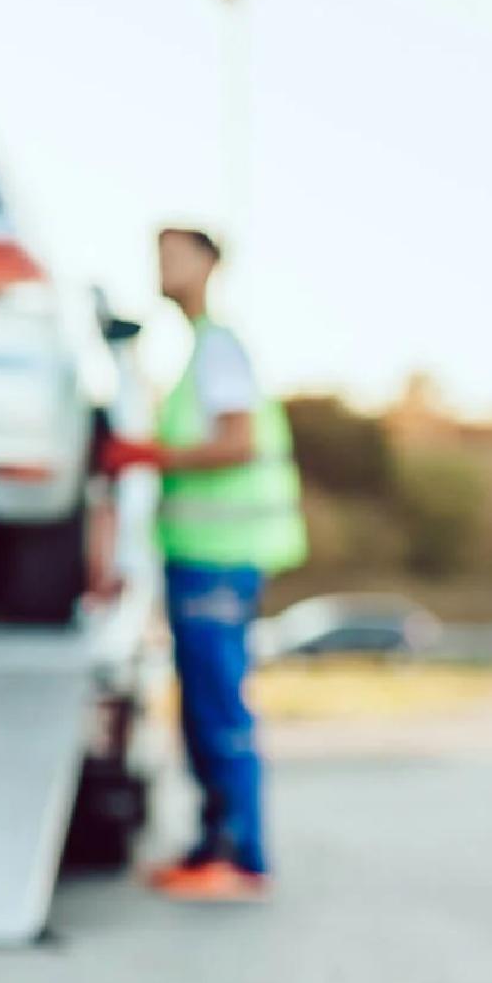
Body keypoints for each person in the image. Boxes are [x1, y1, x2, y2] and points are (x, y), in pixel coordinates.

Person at [100, 228, 308, 901]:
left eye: (174, 255)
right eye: (156, 254)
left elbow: (236, 445)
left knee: (218, 705)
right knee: (199, 704)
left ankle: (240, 857)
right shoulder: (198, 352)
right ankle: (211, 845)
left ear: (210, 264)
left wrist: (144, 455)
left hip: (220, 560)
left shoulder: (218, 349)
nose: (161, 267)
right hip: (199, 558)